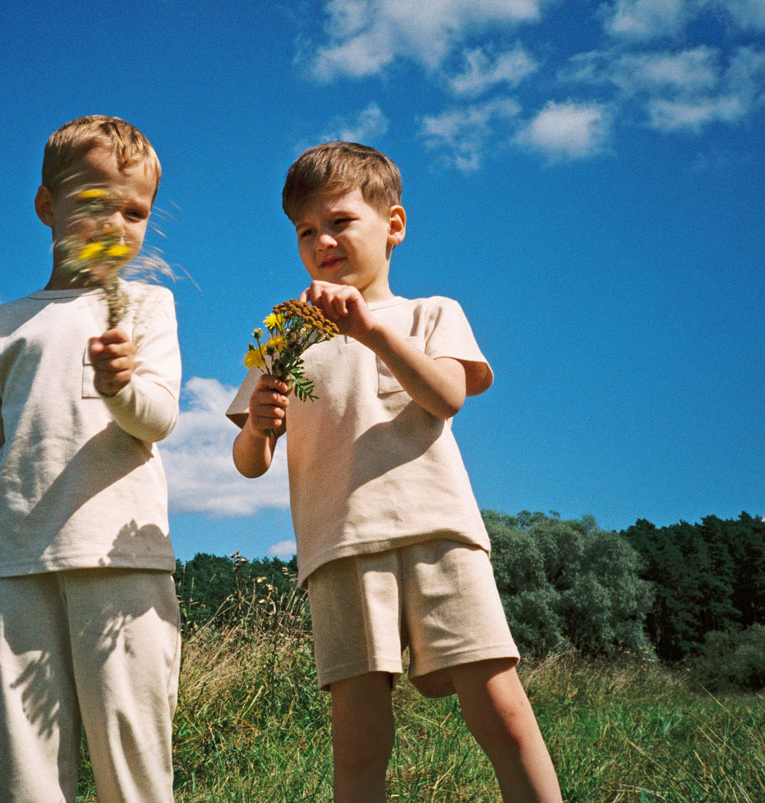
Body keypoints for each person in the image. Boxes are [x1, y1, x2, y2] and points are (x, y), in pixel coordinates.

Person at [228, 141, 562, 802]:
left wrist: (373, 334)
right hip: (339, 546)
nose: (323, 239)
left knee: (501, 707)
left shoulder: (431, 312)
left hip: (438, 530)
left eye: (341, 221)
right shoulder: (282, 330)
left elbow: (447, 396)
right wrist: (259, 424)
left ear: (394, 225)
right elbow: (249, 462)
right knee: (358, 738)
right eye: (306, 231)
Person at [0, 115, 182, 803]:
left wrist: (120, 386)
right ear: (47, 206)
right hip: (17, 562)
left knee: (133, 758)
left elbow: (160, 417)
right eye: (96, 201)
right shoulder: (6, 322)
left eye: (136, 210)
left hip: (119, 560)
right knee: (27, 765)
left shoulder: (146, 306)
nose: (118, 222)